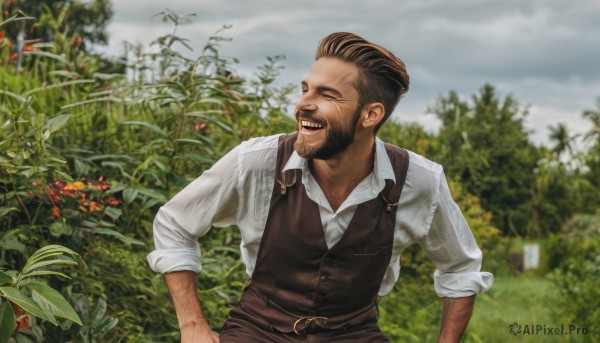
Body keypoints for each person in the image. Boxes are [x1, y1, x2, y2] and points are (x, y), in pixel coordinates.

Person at [148, 32, 493, 342]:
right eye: (305, 89)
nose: (302, 105)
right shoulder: (257, 162)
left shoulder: (419, 181)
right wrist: (192, 325)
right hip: (258, 330)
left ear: (370, 115)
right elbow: (175, 223)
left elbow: (460, 268)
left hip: (355, 333)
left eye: (326, 95)